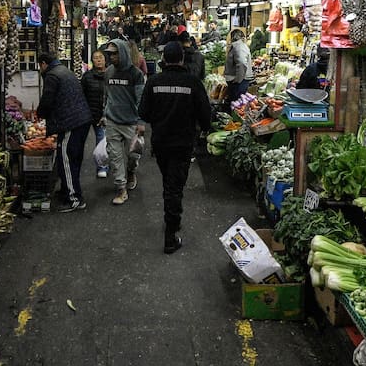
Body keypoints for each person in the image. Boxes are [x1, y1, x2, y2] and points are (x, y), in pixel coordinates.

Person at [138, 41, 212, 254]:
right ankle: (170, 235)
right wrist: (203, 129)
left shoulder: (154, 82)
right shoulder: (192, 83)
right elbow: (205, 114)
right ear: (181, 59)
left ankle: (172, 217)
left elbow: (144, 112)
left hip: (161, 143)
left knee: (169, 182)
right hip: (183, 143)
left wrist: (159, 119)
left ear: (163, 60)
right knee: (175, 186)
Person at [36, 51, 92, 213]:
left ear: (44, 64)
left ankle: (74, 198)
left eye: (40, 66)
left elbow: (47, 100)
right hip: (81, 120)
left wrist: (40, 114)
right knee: (72, 158)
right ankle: (67, 189)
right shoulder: (65, 70)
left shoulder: (52, 75)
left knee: (67, 159)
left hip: (70, 123)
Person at [103, 38, 146, 205]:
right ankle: (121, 189)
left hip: (132, 123)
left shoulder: (136, 74)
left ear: (122, 52)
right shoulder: (108, 72)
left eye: (114, 53)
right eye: (109, 54)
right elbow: (106, 96)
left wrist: (141, 122)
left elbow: (141, 100)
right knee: (115, 156)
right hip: (112, 121)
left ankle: (131, 172)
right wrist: (103, 113)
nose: (111, 57)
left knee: (134, 155)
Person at [81, 49, 108, 178]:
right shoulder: (87, 76)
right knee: (81, 140)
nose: (98, 60)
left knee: (101, 140)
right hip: (88, 113)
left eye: (100, 57)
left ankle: (102, 166)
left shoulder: (110, 75)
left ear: (105, 59)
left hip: (103, 114)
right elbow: (82, 95)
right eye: (96, 58)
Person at [224, 28, 253, 104]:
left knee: (237, 104)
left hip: (239, 82)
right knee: (237, 104)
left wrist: (238, 79)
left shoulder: (239, 47)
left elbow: (242, 63)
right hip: (239, 81)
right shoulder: (239, 46)